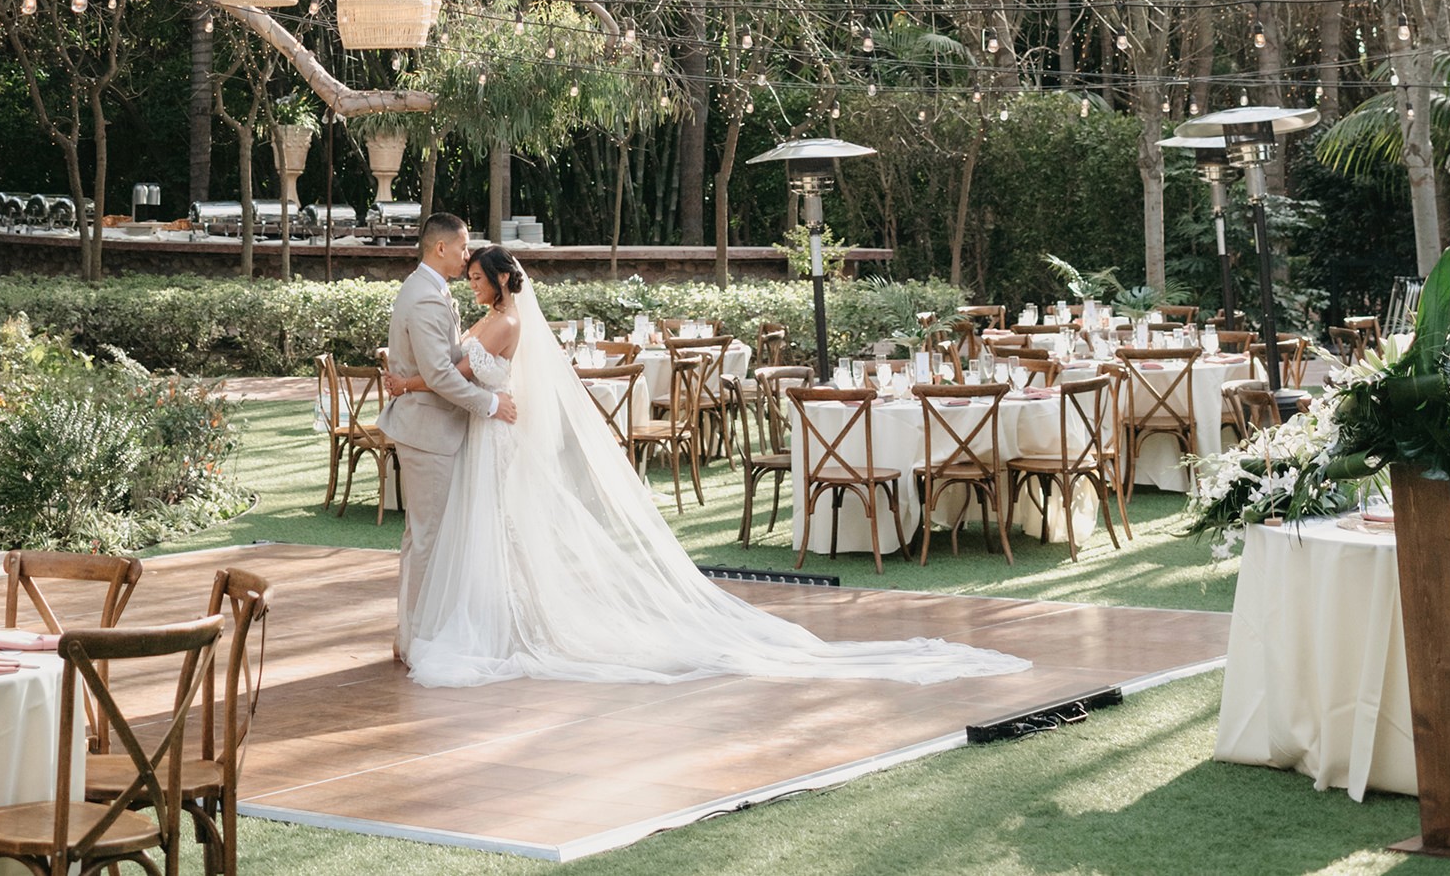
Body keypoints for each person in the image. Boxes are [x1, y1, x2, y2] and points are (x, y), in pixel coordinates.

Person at [389, 241, 1029, 690]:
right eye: (469, 276)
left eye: (478, 278)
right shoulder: (495, 317)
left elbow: (453, 371)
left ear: (502, 281)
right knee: (495, 531)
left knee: (498, 529)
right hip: (489, 432)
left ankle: (502, 625)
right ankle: (494, 617)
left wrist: (405, 383)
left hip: (494, 432)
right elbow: (455, 365)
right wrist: (423, 377)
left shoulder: (502, 324)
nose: (472, 284)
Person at [382, 213, 518, 661]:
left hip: (434, 427)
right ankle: (419, 640)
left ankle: (411, 634)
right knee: (428, 539)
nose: (466, 256)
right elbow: (441, 374)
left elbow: (447, 362)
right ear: (441, 248)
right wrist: (491, 404)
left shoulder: (432, 290)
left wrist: (407, 381)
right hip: (428, 431)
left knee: (422, 537)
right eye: (462, 248)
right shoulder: (424, 297)